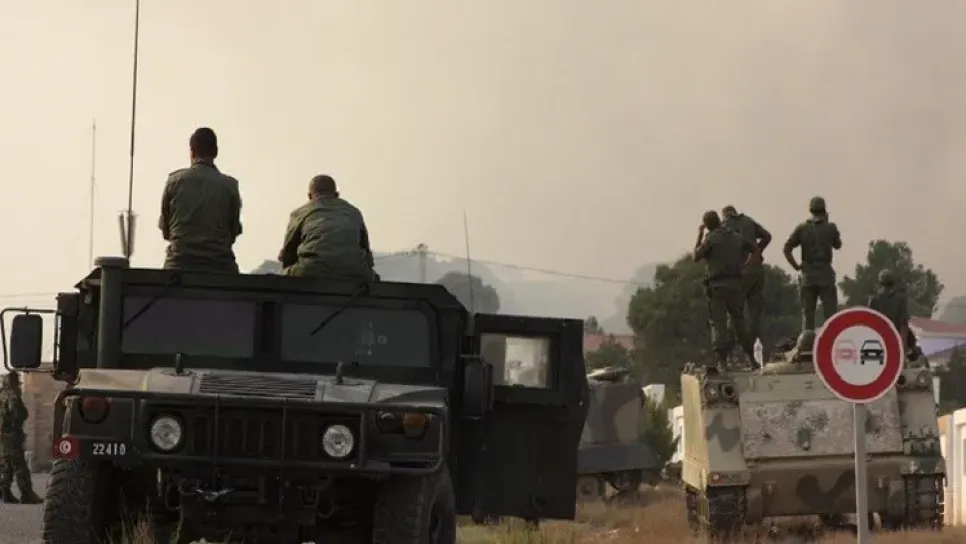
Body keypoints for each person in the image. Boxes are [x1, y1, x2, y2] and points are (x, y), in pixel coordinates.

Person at [158, 127, 243, 273]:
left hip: (178, 267)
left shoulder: (173, 182)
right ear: (216, 152)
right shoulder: (230, 186)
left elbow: (166, 232)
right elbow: (233, 232)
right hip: (220, 268)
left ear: (192, 152)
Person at [693, 210, 760, 371]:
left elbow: (696, 256)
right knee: (739, 322)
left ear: (707, 225)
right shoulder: (736, 237)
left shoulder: (710, 239)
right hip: (735, 285)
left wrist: (700, 234)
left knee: (719, 323)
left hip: (717, 286)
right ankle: (751, 359)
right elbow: (754, 249)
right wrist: (746, 264)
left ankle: (722, 362)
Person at [277, 175, 376, 281]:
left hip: (311, 270)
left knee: (283, 275)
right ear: (337, 195)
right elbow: (367, 253)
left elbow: (288, 254)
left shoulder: (299, 213)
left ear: (309, 196)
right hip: (355, 271)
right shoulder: (353, 212)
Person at [783, 196, 842, 332]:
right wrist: (827, 223)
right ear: (824, 210)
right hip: (825, 274)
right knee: (831, 315)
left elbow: (787, 248)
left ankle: (807, 342)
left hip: (808, 275)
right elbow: (838, 245)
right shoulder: (830, 228)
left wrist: (796, 266)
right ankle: (831, 339)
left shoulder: (802, 228)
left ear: (811, 210)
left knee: (808, 316)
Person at [721, 205, 772, 343]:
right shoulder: (748, 221)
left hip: (739, 273)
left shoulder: (724, 225)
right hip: (756, 271)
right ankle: (753, 345)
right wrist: (757, 252)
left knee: (734, 312)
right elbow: (767, 236)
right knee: (755, 313)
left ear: (724, 215)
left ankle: (731, 348)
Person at [0, 373, 42, 504]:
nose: (19, 386)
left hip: (4, 435)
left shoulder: (2, 394)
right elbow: (17, 414)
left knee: (7, 465)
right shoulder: (13, 396)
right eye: (17, 383)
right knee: (20, 465)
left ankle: (5, 493)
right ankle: (26, 494)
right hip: (11, 435)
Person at [868, 269, 919, 355]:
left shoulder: (874, 299)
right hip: (896, 336)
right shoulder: (900, 298)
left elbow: (870, 323)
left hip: (879, 338)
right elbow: (903, 324)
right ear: (892, 283)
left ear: (880, 282)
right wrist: (902, 346)